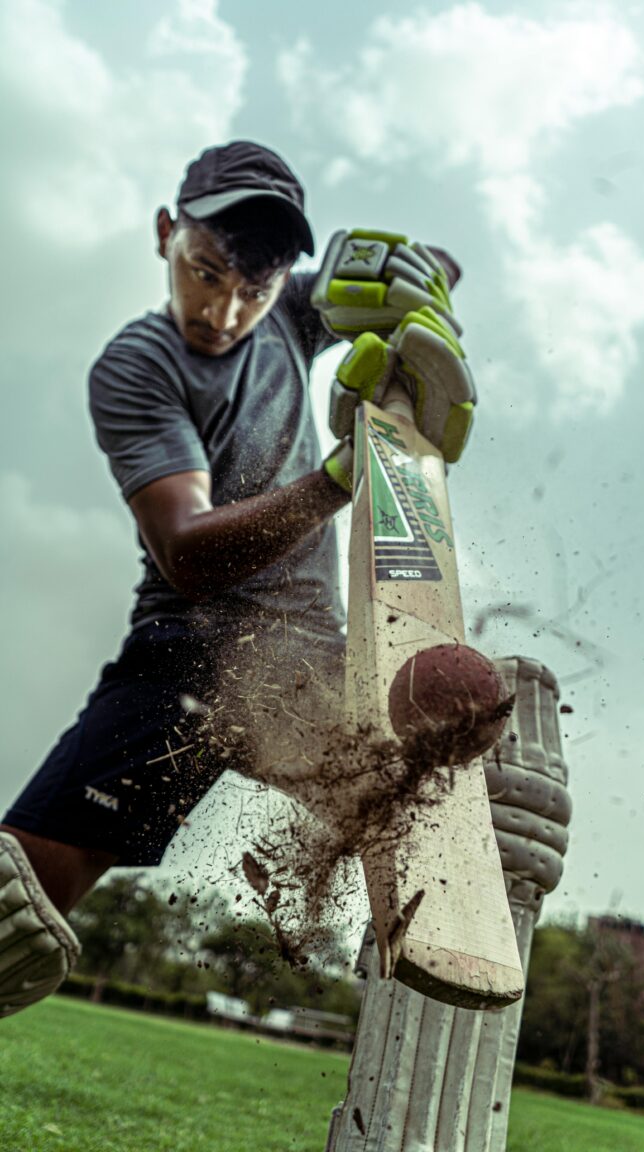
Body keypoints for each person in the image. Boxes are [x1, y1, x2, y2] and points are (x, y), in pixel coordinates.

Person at [0, 140, 476, 1018]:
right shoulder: (139, 364)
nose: (222, 313)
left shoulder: (293, 316)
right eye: (205, 271)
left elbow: (407, 273)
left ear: (284, 279)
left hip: (303, 669)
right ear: (164, 236)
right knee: (5, 925)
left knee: (457, 798)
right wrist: (338, 479)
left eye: (252, 289)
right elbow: (185, 548)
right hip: (186, 661)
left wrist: (422, 281)